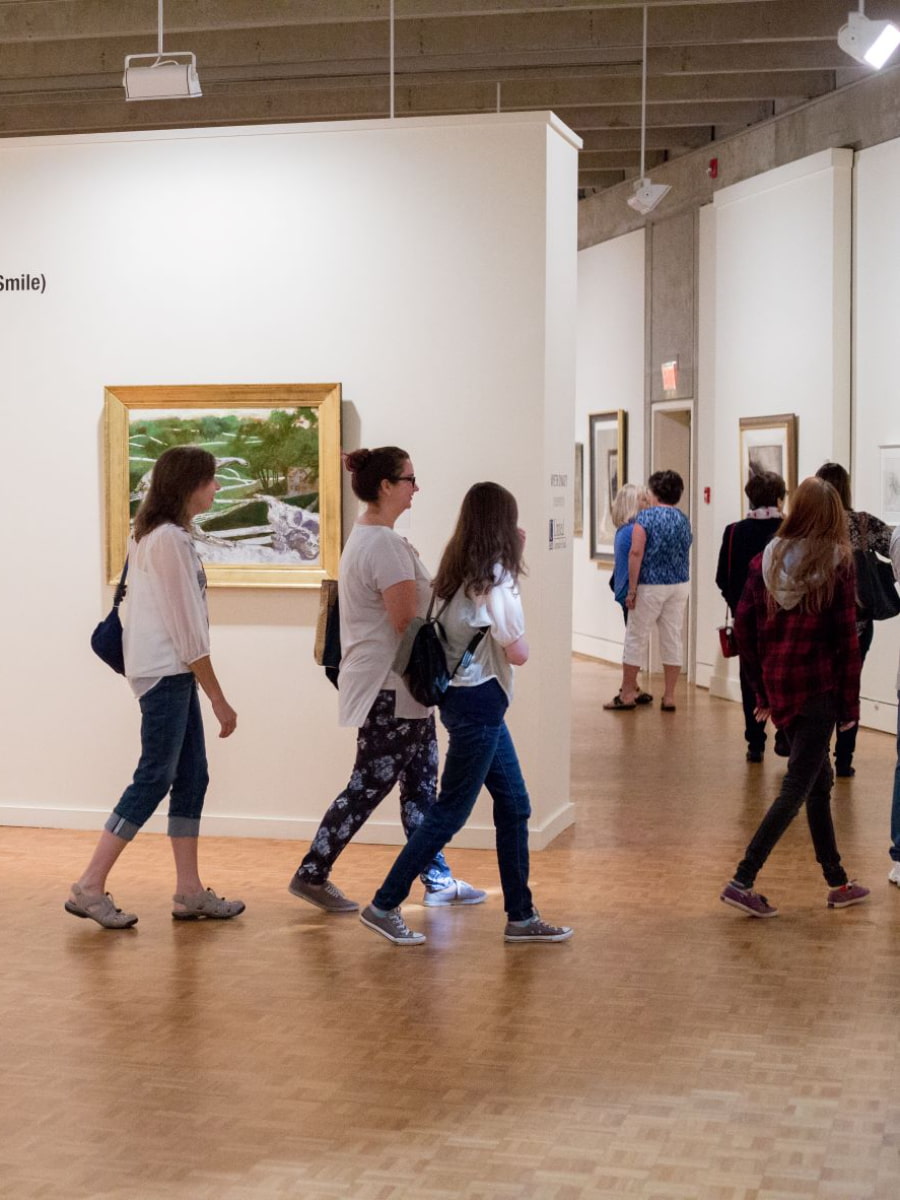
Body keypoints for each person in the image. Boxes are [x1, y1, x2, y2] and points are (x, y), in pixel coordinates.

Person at [359, 482, 573, 946]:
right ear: (501, 524)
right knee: (449, 813)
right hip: (480, 705)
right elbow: (518, 653)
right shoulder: (494, 577)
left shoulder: (454, 573)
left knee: (515, 806)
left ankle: (521, 916)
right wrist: (513, 574)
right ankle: (384, 903)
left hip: (467, 703)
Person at [287, 447, 484, 913]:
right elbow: (408, 624)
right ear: (386, 486)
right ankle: (312, 872)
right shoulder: (383, 545)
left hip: (399, 690)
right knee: (368, 786)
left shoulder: (377, 539)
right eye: (410, 478)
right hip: (391, 689)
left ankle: (435, 877)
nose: (417, 487)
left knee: (419, 788)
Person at [66, 446, 244, 928]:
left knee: (191, 776)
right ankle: (89, 885)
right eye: (211, 480)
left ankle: (189, 891)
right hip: (167, 671)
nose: (217, 487)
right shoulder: (166, 541)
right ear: (189, 485)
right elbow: (187, 631)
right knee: (154, 777)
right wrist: (219, 698)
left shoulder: (158, 536)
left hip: (168, 671)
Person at [720, 476, 869, 918]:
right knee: (796, 788)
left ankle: (837, 881)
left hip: (781, 684)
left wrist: (761, 689)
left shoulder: (763, 561)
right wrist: (850, 708)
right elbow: (847, 642)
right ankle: (742, 878)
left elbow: (743, 629)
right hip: (818, 688)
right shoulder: (838, 564)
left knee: (818, 783)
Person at [815, 461, 893, 777]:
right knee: (850, 683)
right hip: (857, 622)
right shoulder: (862, 525)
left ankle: (815, 751)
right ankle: (844, 758)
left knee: (819, 686)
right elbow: (893, 543)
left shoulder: (810, 525)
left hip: (817, 622)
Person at [605, 469, 692, 712]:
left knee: (636, 637)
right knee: (672, 637)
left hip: (651, 586)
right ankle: (670, 696)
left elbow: (636, 553)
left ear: (654, 493)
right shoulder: (683, 518)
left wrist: (632, 590)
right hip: (679, 584)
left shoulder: (646, 519)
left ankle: (628, 693)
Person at [715, 470, 786, 762]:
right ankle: (786, 734)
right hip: (783, 619)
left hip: (746, 621)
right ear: (780, 498)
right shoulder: (789, 530)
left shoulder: (734, 532)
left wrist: (736, 602)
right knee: (783, 677)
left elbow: (722, 577)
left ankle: (755, 741)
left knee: (750, 678)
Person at [607, 483, 652, 706]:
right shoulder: (631, 532)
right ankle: (628, 688)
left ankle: (632, 686)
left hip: (624, 589)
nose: (647, 503)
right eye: (643, 499)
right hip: (629, 592)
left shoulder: (623, 531)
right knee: (634, 640)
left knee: (634, 638)